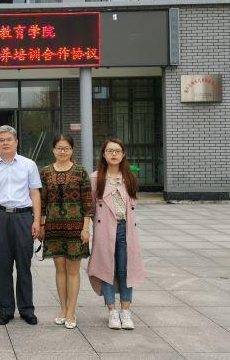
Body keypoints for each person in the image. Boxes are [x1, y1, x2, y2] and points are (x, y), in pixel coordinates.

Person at [0, 125, 42, 326]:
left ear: (16, 141)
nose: (5, 143)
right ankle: (6, 310)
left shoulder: (29, 165)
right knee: (3, 265)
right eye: (1, 140)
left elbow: (35, 193)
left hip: (23, 217)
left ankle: (26, 309)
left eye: (9, 139)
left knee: (24, 265)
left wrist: (37, 220)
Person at [87, 137, 145, 330]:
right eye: (109, 151)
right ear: (103, 154)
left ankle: (125, 312)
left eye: (117, 151)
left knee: (125, 270)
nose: (113, 154)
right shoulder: (95, 179)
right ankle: (112, 311)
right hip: (104, 230)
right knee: (106, 270)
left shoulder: (129, 178)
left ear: (123, 154)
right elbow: (90, 208)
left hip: (125, 230)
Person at [40, 134, 93, 329]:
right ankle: (63, 309)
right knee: (59, 270)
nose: (62, 151)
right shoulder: (45, 172)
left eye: (66, 148)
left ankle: (71, 311)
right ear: (53, 150)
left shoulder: (81, 172)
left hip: (76, 228)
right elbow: (42, 202)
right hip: (54, 227)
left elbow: (87, 203)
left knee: (73, 270)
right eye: (59, 148)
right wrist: (42, 226)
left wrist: (86, 228)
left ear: (72, 150)